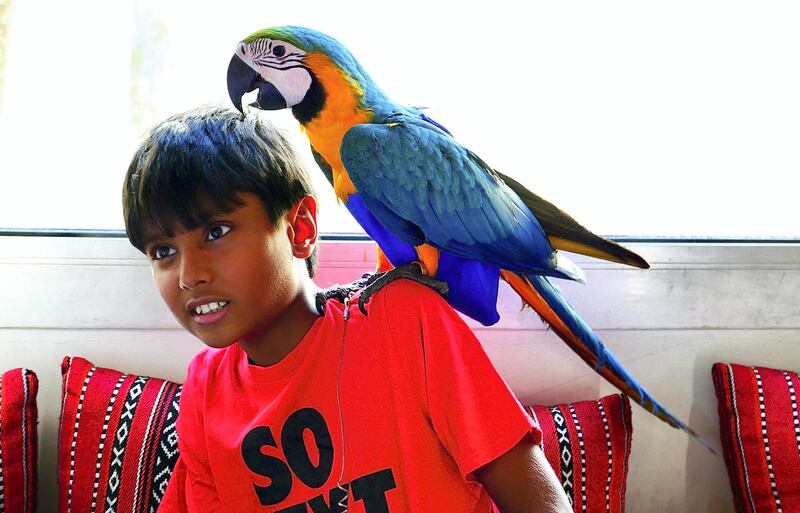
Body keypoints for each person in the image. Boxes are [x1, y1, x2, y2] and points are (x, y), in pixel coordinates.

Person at [122, 105, 572, 513]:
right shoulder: (205, 393)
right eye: (162, 251)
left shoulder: (402, 322)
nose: (188, 275)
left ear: (300, 228)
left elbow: (539, 502)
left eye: (216, 232)